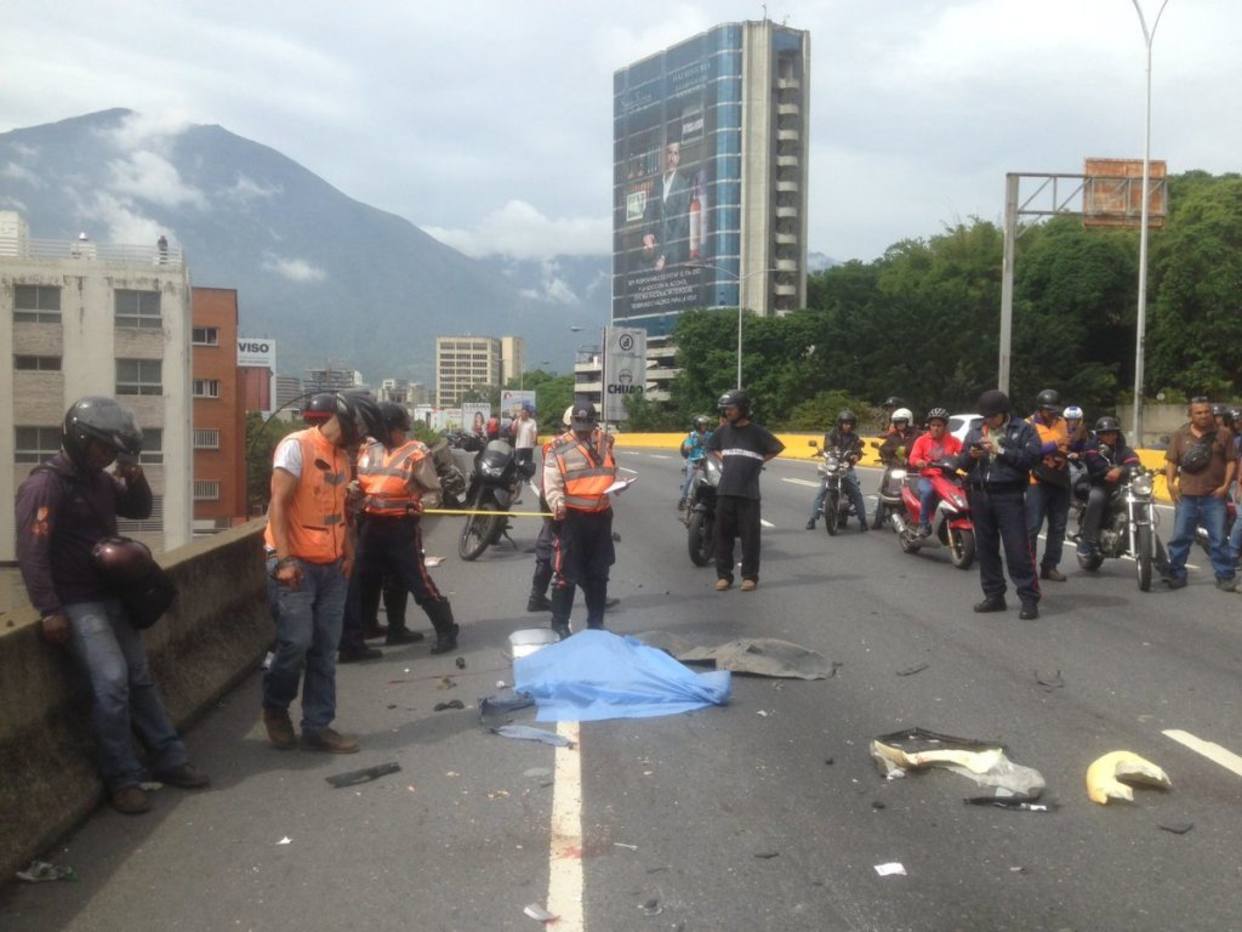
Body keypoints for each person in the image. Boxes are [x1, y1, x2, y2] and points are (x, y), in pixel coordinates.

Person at [15, 397, 209, 814]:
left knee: (139, 677)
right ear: (79, 439)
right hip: (79, 602)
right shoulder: (46, 484)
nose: (106, 456)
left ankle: (170, 758)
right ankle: (123, 776)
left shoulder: (98, 480)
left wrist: (133, 474)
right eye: (101, 448)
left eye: (110, 450)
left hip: (113, 596)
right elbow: (32, 552)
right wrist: (49, 609)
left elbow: (138, 509)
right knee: (112, 682)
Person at [262, 392, 377, 754]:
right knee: (296, 643)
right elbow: (278, 505)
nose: (360, 438)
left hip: (332, 566)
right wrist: (283, 559)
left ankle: (317, 725)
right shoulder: (295, 447)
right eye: (359, 429)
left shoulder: (343, 458)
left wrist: (349, 551)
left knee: (326, 650)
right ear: (343, 419)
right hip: (295, 564)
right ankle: (276, 707)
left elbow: (340, 510)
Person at [342, 401, 461, 659]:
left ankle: (446, 630)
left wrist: (421, 506)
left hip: (400, 526)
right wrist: (352, 491)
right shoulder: (368, 450)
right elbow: (361, 482)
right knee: (366, 578)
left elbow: (433, 491)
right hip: (370, 524)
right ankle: (383, 628)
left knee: (416, 579)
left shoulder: (416, 452)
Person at [956, 389, 1043, 619]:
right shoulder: (976, 431)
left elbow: (1031, 460)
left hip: (1009, 495)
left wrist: (1000, 450)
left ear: (1004, 414)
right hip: (980, 494)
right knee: (986, 549)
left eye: (992, 417)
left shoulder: (1023, 430)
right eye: (985, 417)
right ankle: (994, 595)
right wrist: (972, 455)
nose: (988, 421)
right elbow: (962, 462)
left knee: (1017, 549)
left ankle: (1028, 598)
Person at [544, 401, 617, 639]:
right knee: (566, 574)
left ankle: (596, 624)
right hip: (573, 518)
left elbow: (609, 471)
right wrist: (557, 504)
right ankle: (560, 626)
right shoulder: (558, 447)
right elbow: (552, 481)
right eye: (578, 424)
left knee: (598, 573)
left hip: (601, 517)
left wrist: (617, 485)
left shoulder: (605, 441)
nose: (583, 429)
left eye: (587, 424)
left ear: (594, 422)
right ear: (572, 422)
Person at [709, 389, 784, 591]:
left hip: (748, 492)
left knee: (750, 536)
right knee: (722, 535)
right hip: (725, 490)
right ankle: (724, 576)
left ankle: (750, 577)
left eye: (730, 409)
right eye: (725, 410)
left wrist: (758, 461)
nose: (727, 413)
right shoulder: (723, 431)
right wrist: (722, 457)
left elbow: (777, 447)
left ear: (742, 409)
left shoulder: (757, 432)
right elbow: (711, 446)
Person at [1163, 397, 1237, 591]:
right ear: (1191, 415)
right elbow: (1171, 461)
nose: (1204, 415)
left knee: (1218, 539)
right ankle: (1177, 574)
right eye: (1199, 412)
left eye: (1207, 412)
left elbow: (1231, 461)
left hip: (1214, 496)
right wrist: (1170, 483)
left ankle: (1225, 576)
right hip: (1186, 496)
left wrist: (1225, 486)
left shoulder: (1224, 434)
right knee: (1180, 537)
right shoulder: (1180, 435)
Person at [528, 406, 576, 612]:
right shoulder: (559, 446)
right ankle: (539, 598)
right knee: (556, 546)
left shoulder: (558, 445)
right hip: (558, 500)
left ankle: (537, 597)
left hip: (553, 498)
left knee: (553, 544)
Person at [1076, 416, 1141, 559]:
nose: (1110, 436)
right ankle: (1087, 542)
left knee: (1140, 505)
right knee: (1096, 498)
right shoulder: (1092, 447)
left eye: (1113, 432)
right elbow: (1094, 464)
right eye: (1105, 433)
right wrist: (1109, 470)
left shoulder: (1122, 449)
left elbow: (1134, 461)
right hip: (1099, 484)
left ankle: (1164, 566)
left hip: (1120, 486)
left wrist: (1120, 470)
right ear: (1099, 435)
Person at [1025, 389, 1072, 582]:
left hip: (1059, 478)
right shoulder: (1028, 425)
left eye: (1055, 410)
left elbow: (1068, 445)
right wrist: (1056, 443)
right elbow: (1031, 450)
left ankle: (1050, 566)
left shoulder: (1062, 423)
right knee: (1033, 526)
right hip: (1037, 481)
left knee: (1059, 526)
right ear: (1040, 409)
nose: (1053, 414)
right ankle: (1029, 566)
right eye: (1049, 410)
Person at [806, 409, 868, 531]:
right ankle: (812, 519)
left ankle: (863, 520)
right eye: (845, 423)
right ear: (840, 423)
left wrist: (856, 455)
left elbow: (858, 450)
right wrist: (829, 451)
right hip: (832, 466)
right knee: (821, 492)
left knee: (856, 492)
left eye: (850, 423)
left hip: (846, 467)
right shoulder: (831, 434)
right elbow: (827, 446)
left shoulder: (855, 437)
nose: (847, 425)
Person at [907, 408, 963, 537]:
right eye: (933, 425)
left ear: (945, 426)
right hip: (928, 477)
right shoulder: (921, 440)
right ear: (929, 426)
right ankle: (923, 525)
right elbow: (913, 458)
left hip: (948, 478)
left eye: (939, 425)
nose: (936, 428)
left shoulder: (953, 440)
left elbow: (963, 455)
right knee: (927, 492)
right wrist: (919, 462)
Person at [642, 140, 693, 270]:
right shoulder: (657, 182)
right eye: (669, 153)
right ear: (664, 156)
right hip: (656, 246)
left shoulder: (683, 185)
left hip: (673, 251)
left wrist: (663, 256)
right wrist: (646, 234)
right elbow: (649, 210)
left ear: (679, 157)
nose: (672, 158)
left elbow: (679, 226)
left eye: (675, 154)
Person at [678, 415, 712, 509]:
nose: (705, 426)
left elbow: (716, 443)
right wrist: (689, 446)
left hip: (706, 460)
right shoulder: (692, 435)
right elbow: (687, 444)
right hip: (694, 460)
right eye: (702, 425)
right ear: (697, 425)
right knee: (690, 479)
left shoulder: (709, 435)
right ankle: (684, 499)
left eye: (705, 424)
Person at [513, 403, 539, 475]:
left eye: (526, 413)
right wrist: (517, 420)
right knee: (518, 463)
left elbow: (534, 431)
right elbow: (514, 431)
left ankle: (527, 478)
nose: (524, 414)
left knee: (528, 464)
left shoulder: (532, 421)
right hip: (519, 446)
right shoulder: (517, 421)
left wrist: (534, 439)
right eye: (523, 412)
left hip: (529, 446)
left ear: (528, 414)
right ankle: (518, 476)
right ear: (521, 413)